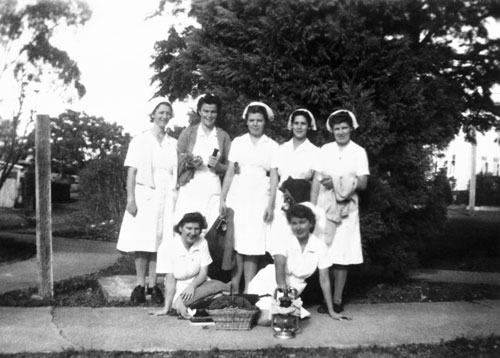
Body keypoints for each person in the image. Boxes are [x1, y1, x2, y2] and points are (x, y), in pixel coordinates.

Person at [116, 97, 177, 305]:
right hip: (145, 196)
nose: (164, 116)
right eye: (160, 112)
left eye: (167, 113)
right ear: (153, 114)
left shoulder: (173, 143)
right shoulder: (140, 140)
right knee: (142, 243)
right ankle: (140, 285)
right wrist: (130, 199)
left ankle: (154, 285)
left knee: (160, 242)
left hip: (166, 197)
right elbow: (131, 172)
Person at [310, 109, 369, 316]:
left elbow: (362, 183)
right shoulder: (325, 150)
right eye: (337, 129)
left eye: (344, 128)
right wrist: (311, 207)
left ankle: (337, 299)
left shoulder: (358, 151)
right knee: (325, 251)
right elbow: (317, 179)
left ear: (351, 128)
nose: (341, 132)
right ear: (332, 130)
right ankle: (324, 297)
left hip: (347, 209)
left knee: (342, 253)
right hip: (325, 206)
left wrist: (338, 182)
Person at [220, 101, 279, 293]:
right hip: (239, 195)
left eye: (259, 120)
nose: (255, 124)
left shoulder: (271, 145)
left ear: (265, 122)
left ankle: (249, 289)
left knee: (253, 244)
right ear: (246, 122)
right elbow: (230, 172)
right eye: (252, 120)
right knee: (237, 242)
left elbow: (274, 177)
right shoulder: (238, 142)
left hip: (260, 196)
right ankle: (235, 285)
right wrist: (223, 198)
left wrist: (270, 205)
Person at [247, 204, 338, 324]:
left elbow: (325, 280)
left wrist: (331, 311)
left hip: (292, 291)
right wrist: (281, 285)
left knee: (286, 318)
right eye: (294, 223)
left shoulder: (319, 246)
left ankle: (253, 313)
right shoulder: (285, 240)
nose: (298, 227)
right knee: (269, 319)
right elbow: (279, 263)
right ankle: (246, 312)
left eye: (302, 222)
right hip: (268, 284)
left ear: (310, 224)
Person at [153, 212, 228, 317]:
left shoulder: (202, 242)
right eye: (189, 228)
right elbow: (170, 280)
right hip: (180, 288)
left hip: (200, 283)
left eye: (197, 229)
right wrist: (166, 308)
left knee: (223, 291)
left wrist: (193, 286)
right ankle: (198, 306)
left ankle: (206, 305)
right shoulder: (167, 247)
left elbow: (203, 272)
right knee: (184, 306)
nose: (193, 233)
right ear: (180, 228)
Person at [174, 94, 231, 230]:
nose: (209, 115)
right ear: (199, 111)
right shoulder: (188, 133)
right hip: (190, 186)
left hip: (213, 187)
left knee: (210, 228)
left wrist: (219, 166)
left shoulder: (223, 136)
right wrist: (189, 163)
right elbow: (175, 161)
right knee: (187, 227)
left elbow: (231, 167)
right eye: (206, 111)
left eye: (213, 112)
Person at [270, 109, 320, 247]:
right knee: (280, 245)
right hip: (281, 203)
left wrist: (312, 209)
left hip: (302, 204)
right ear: (291, 125)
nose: (299, 127)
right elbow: (274, 178)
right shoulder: (281, 149)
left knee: (299, 244)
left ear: (309, 126)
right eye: (296, 123)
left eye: (303, 124)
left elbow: (316, 184)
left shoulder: (315, 152)